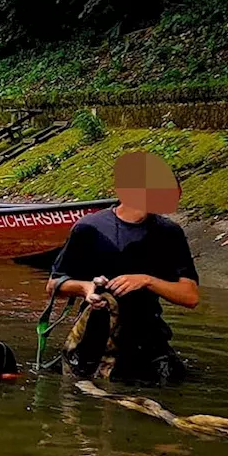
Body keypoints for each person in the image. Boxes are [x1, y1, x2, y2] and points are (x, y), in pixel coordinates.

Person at [46, 151, 199, 384]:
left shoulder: (170, 233)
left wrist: (147, 280)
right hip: (95, 334)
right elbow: (54, 285)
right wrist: (86, 289)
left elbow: (190, 297)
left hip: (147, 337)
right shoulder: (90, 228)